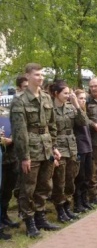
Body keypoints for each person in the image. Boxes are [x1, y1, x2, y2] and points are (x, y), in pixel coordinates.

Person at [10, 63, 61, 237]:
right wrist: (24, 156)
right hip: (30, 150)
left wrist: (54, 147)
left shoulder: (46, 98)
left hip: (46, 148)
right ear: (28, 76)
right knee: (28, 188)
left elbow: (52, 125)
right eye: (37, 75)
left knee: (45, 185)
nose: (41, 77)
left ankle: (40, 217)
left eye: (42, 75)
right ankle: (29, 221)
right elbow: (19, 131)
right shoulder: (20, 100)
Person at [50, 80, 86, 223]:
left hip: (71, 147)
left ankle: (67, 207)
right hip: (59, 147)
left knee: (70, 180)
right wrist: (53, 149)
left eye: (69, 93)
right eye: (65, 93)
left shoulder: (71, 107)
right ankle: (60, 210)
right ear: (56, 94)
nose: (68, 95)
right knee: (59, 181)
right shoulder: (50, 109)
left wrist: (77, 104)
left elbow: (83, 122)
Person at [73, 89, 94, 212]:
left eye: (84, 98)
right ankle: (78, 202)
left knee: (87, 176)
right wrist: (76, 105)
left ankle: (85, 200)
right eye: (80, 98)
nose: (83, 100)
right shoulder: (74, 111)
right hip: (79, 148)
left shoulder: (83, 112)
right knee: (79, 178)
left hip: (88, 147)